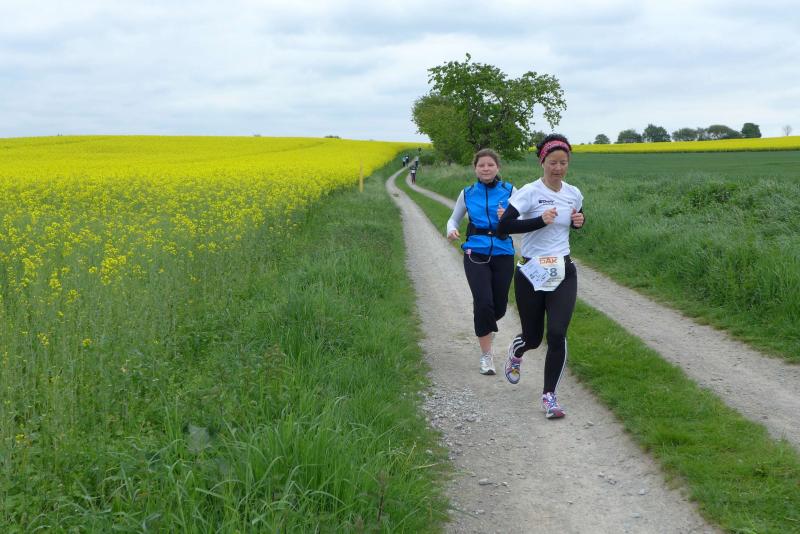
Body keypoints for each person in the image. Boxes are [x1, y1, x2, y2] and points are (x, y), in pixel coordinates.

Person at [497, 134, 584, 419]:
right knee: (533, 338)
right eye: (552, 162)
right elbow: (504, 226)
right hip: (531, 272)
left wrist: (579, 222)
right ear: (542, 162)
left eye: (563, 163)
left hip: (563, 271)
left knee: (557, 333)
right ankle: (517, 351)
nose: (558, 168)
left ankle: (550, 397)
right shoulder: (529, 192)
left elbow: (576, 218)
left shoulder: (573, 193)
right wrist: (539, 220)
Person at [447, 149, 517, 375]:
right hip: (475, 252)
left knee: (499, 306)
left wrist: (508, 218)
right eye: (481, 165)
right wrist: (451, 230)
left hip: (503, 252)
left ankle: (485, 326)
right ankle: (486, 356)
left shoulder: (510, 191)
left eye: (490, 165)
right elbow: (453, 219)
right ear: (475, 169)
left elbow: (525, 219)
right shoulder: (467, 193)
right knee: (483, 302)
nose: (486, 168)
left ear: (498, 167)